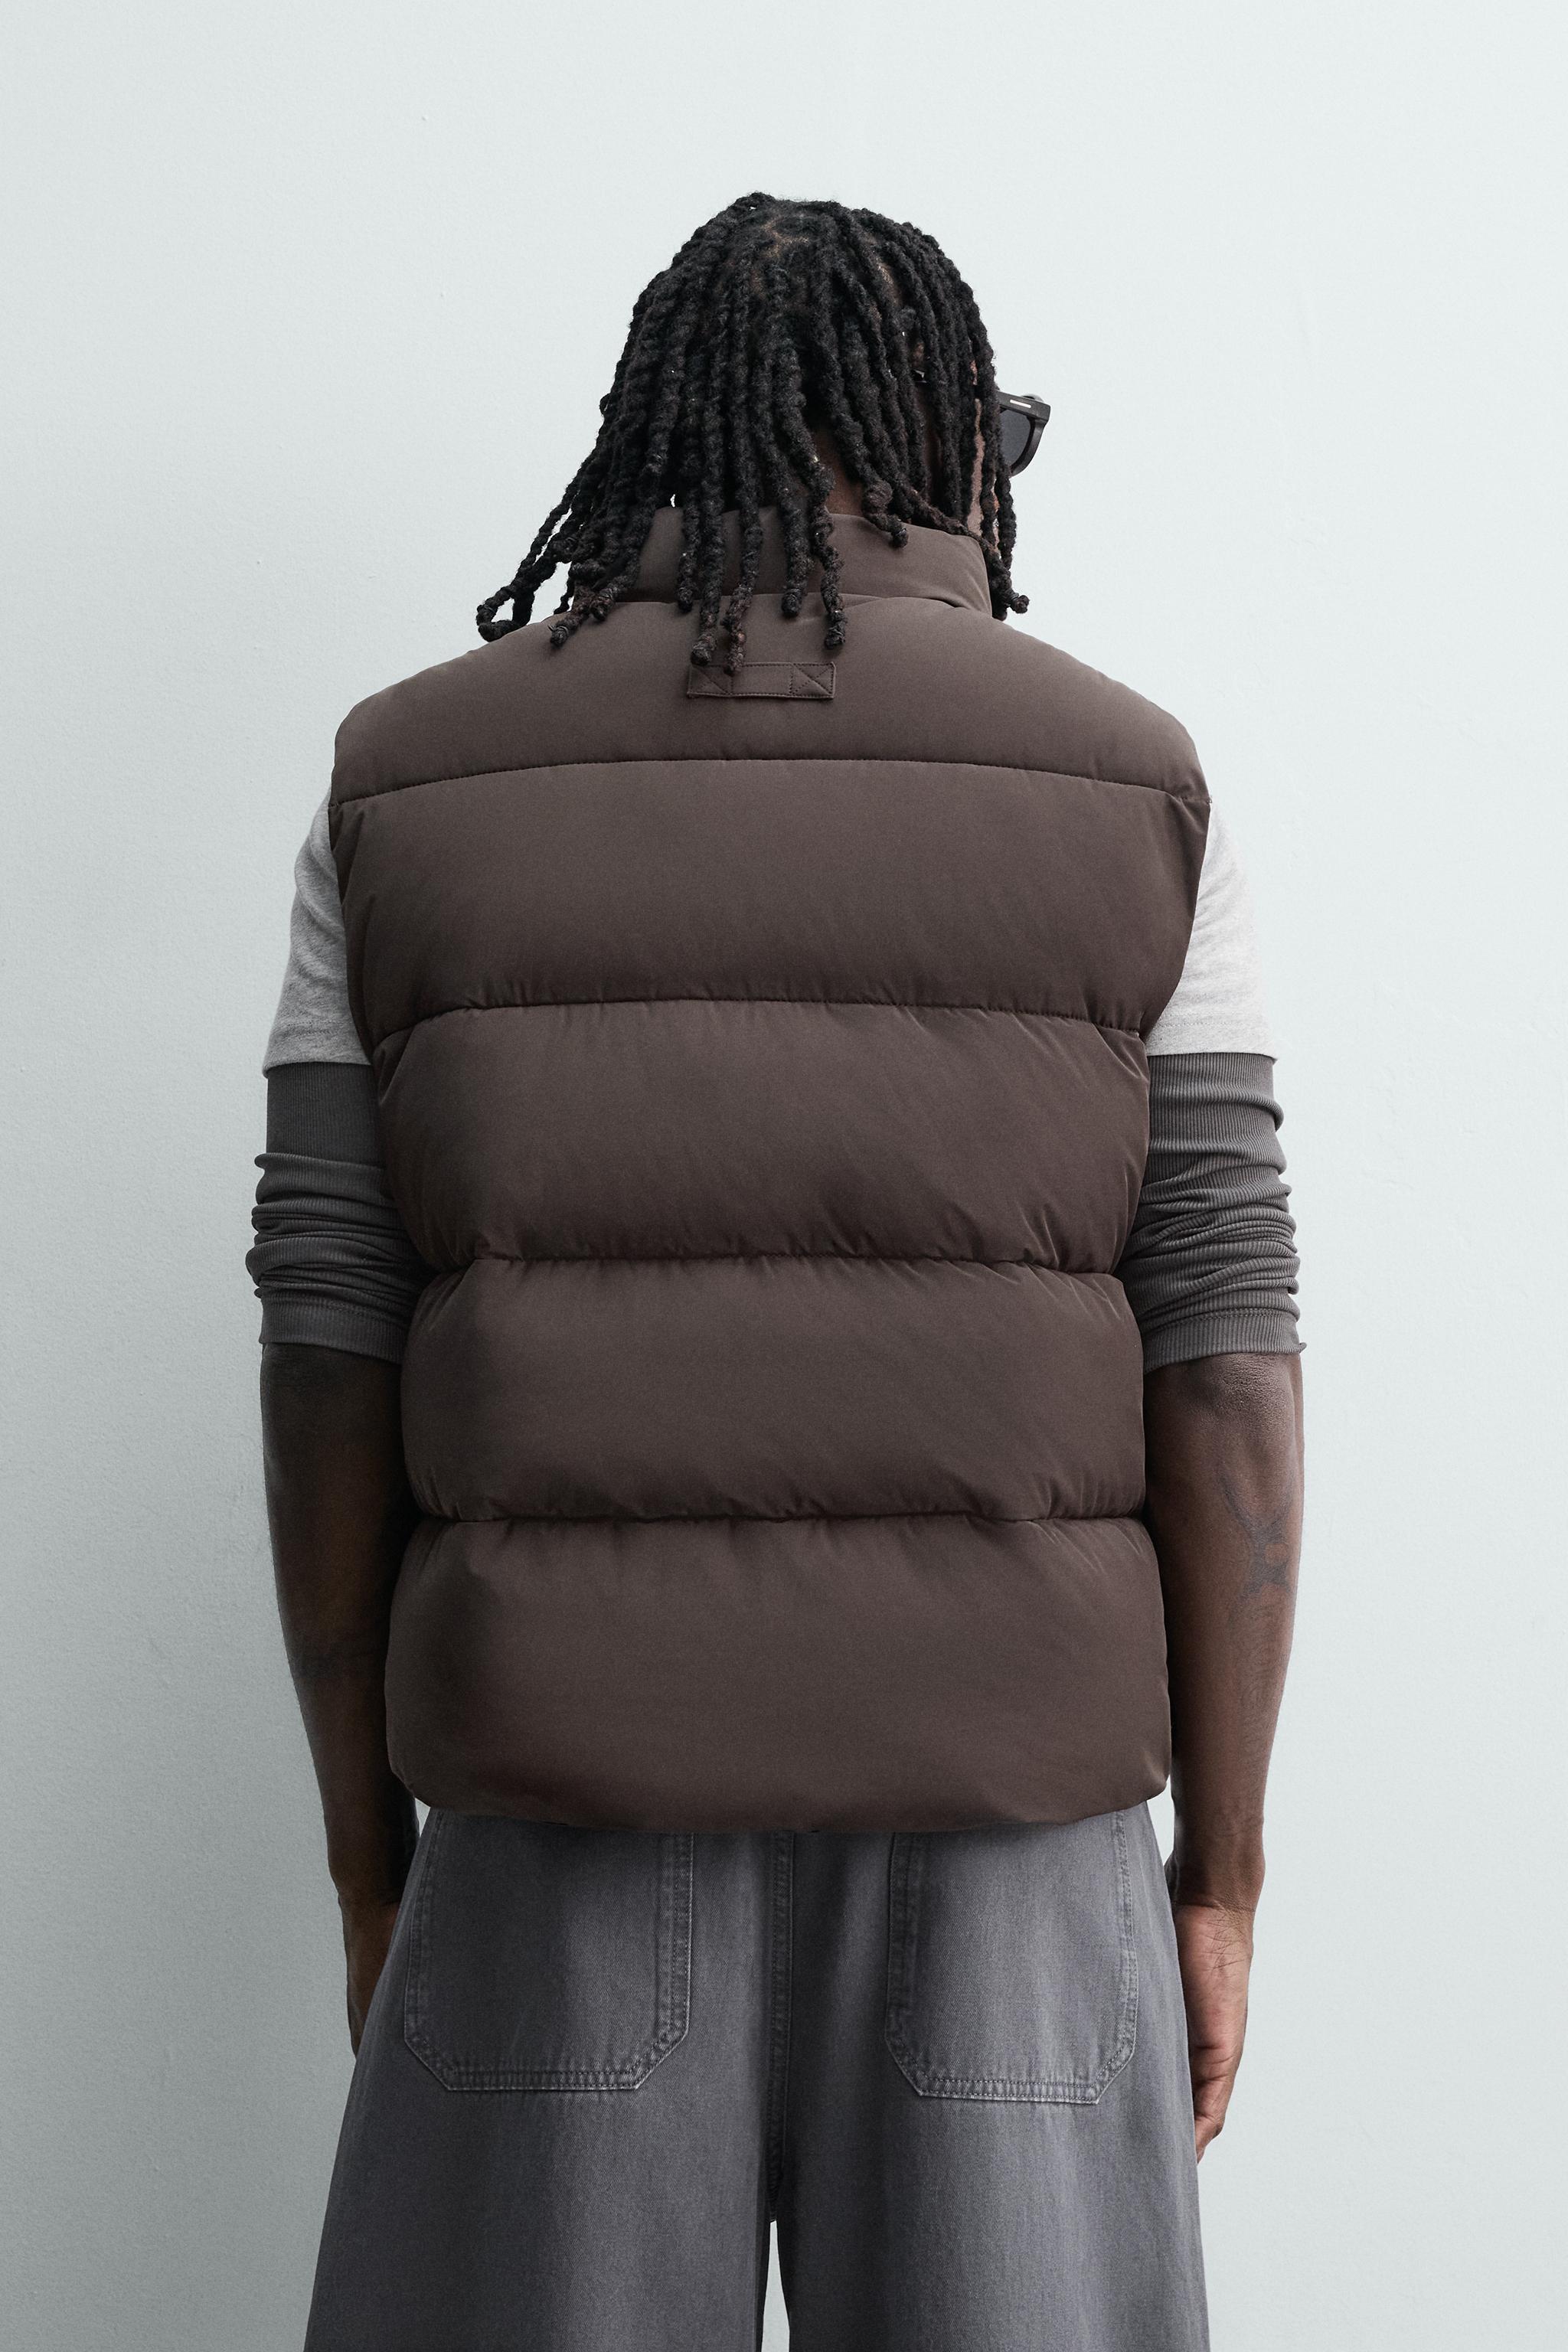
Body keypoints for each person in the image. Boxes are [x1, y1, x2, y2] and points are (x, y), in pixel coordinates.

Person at [251, 194, 1302, 2352]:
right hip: (1013, 1827)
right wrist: (1224, 1871)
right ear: (958, 440)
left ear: (641, 430)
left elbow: (329, 1345)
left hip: (552, 1807)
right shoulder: (1139, 786)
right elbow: (1223, 1356)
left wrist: (371, 1859)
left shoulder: (403, 782)